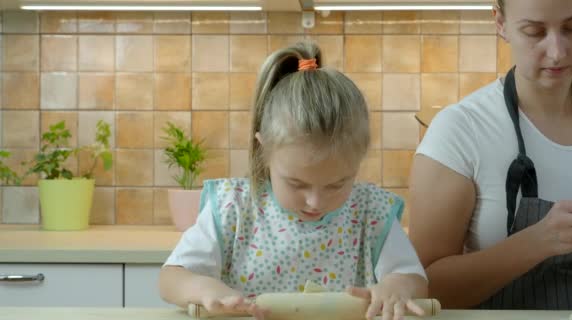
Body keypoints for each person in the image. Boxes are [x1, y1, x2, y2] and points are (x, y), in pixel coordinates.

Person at [159, 41, 428, 320]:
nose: (315, 201)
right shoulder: (234, 208)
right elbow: (171, 277)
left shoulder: (371, 212)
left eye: (336, 184)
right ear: (264, 150)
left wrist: (397, 286)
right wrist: (203, 288)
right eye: (296, 184)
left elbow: (414, 279)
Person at [409, 0, 572, 310]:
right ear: (500, 23)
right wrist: (538, 242)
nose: (556, 51)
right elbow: (422, 289)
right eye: (534, 31)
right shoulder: (460, 131)